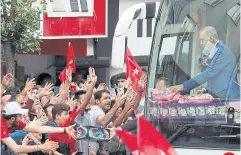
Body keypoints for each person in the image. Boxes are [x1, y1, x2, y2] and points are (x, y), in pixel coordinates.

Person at [169, 26, 240, 100]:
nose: (201, 43)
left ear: (211, 39)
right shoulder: (216, 51)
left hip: (229, 97)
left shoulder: (222, 52)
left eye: (202, 40)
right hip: (221, 95)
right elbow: (216, 75)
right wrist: (205, 89)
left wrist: (183, 86)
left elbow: (208, 73)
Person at [1, 102, 76, 154]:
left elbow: (39, 129)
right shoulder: (2, 126)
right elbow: (16, 149)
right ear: (13, 118)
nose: (21, 118)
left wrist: (64, 130)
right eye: (20, 116)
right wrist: (42, 146)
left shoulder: (15, 122)